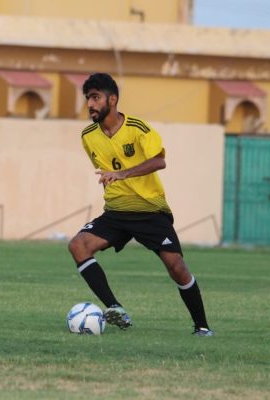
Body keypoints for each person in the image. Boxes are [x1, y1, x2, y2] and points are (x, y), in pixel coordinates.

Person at [68, 72, 213, 336]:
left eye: (96, 97)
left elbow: (159, 161)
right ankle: (115, 308)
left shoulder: (138, 129)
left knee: (177, 267)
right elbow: (105, 169)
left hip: (150, 211)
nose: (90, 104)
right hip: (116, 212)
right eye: (88, 98)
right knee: (78, 245)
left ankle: (202, 327)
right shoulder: (88, 136)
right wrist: (113, 181)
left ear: (112, 99)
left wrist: (123, 173)